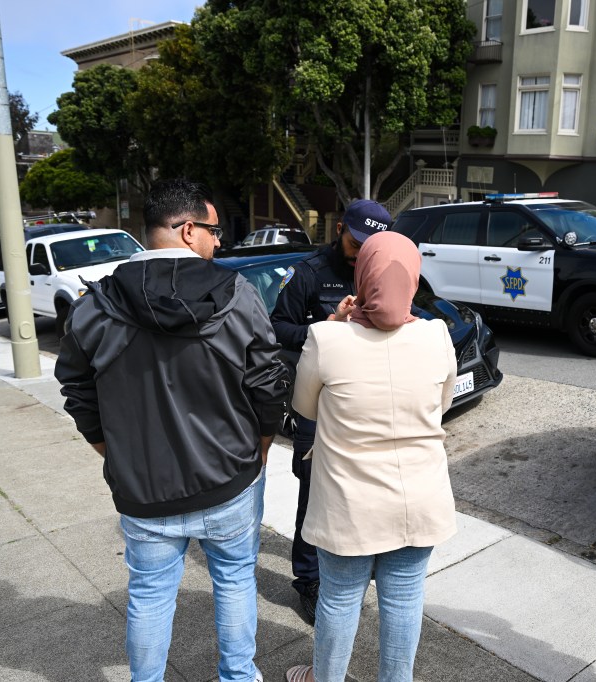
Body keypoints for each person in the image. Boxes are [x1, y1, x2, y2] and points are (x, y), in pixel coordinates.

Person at [55, 178, 289, 682]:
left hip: (144, 490)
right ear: (187, 231)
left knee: (150, 594)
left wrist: (112, 453)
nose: (219, 241)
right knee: (234, 581)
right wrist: (262, 447)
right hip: (230, 477)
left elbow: (77, 392)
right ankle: (239, 678)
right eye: (213, 230)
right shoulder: (237, 294)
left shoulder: (94, 305)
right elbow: (269, 385)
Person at [284, 231, 458, 682]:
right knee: (403, 599)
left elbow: (305, 407)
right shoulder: (437, 335)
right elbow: (440, 406)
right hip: (418, 499)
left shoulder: (326, 337)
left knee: (339, 599)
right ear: (414, 280)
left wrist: (339, 323)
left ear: (361, 277)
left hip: (349, 503)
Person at [270, 198, 393, 624]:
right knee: (314, 494)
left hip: (365, 405)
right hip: (317, 404)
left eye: (370, 244)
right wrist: (327, 329)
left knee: (357, 494)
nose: (361, 251)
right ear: (339, 227)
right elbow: (277, 327)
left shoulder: (382, 270)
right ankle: (308, 580)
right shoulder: (309, 272)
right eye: (355, 240)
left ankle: (350, 568)